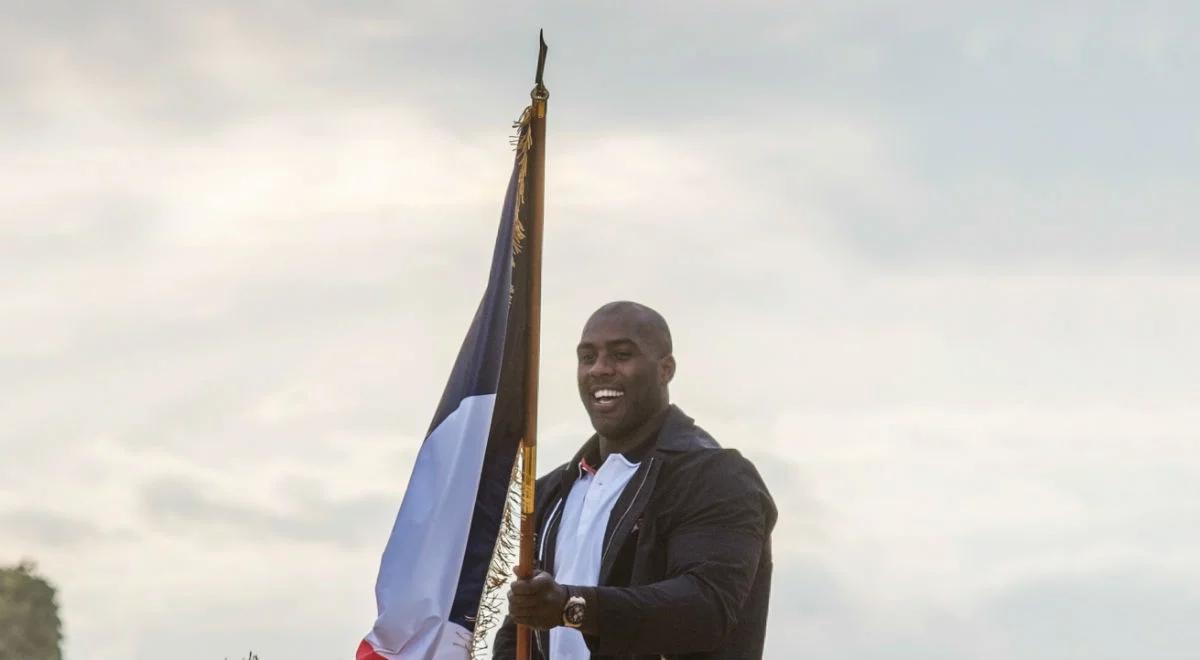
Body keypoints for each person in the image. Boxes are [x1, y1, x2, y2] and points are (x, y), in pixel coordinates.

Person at [492, 301, 776, 660]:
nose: (599, 369)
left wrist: (569, 606)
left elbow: (706, 609)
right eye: (587, 357)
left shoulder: (716, 476)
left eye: (621, 355)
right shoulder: (553, 490)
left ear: (665, 369)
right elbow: (522, 625)